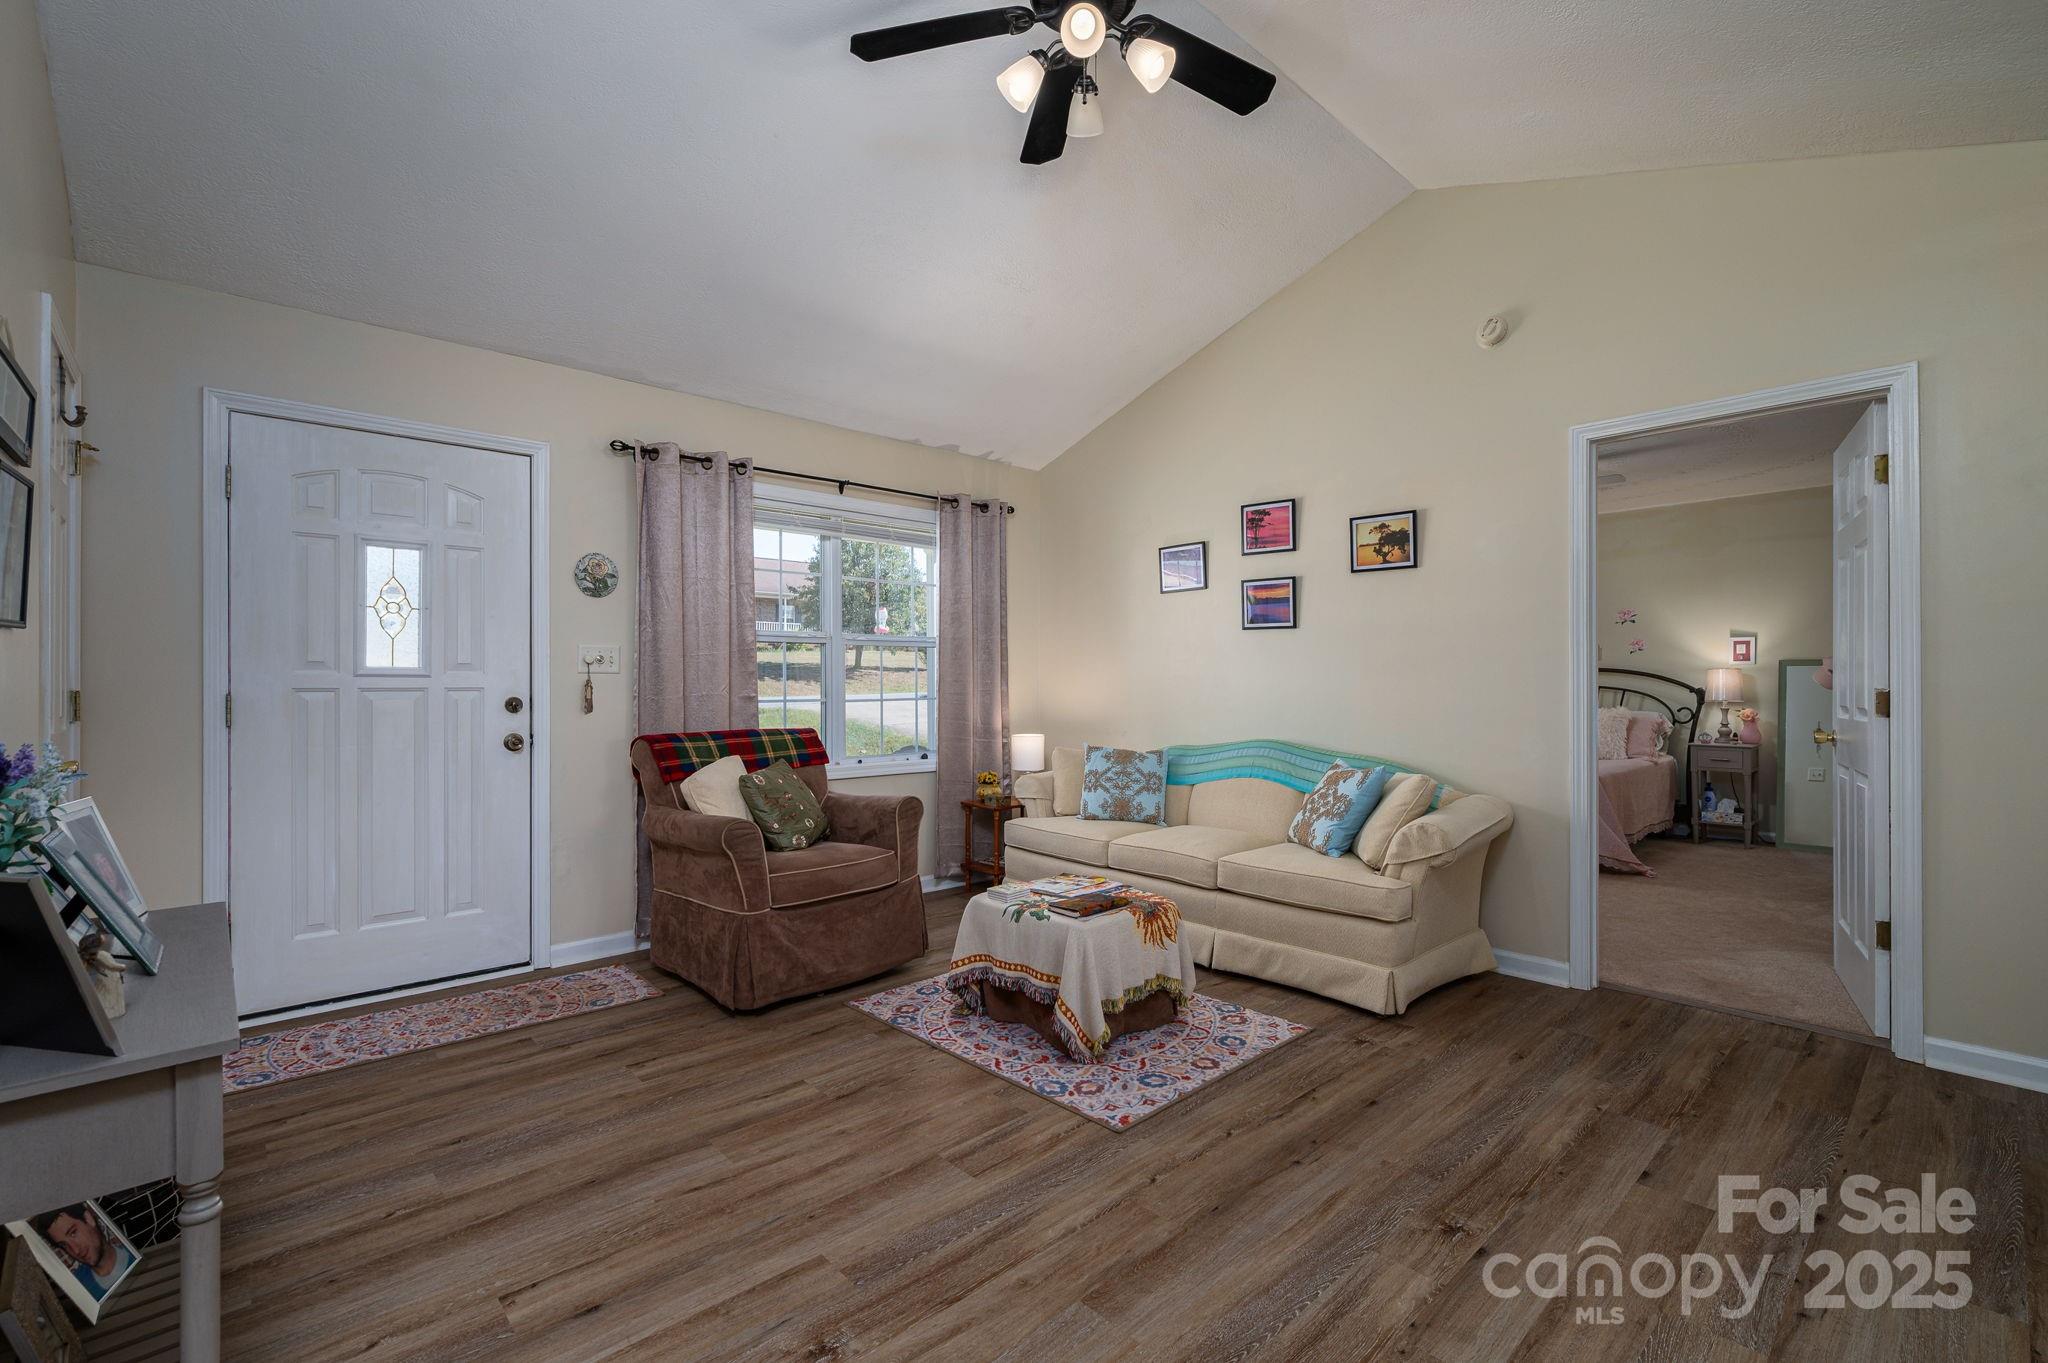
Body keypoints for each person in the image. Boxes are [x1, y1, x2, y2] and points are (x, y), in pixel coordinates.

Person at [29, 1204, 133, 1300]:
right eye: (64, 1245)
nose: (75, 1250)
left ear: (89, 1219)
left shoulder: (135, 1254)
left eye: (73, 1233)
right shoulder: (76, 1288)